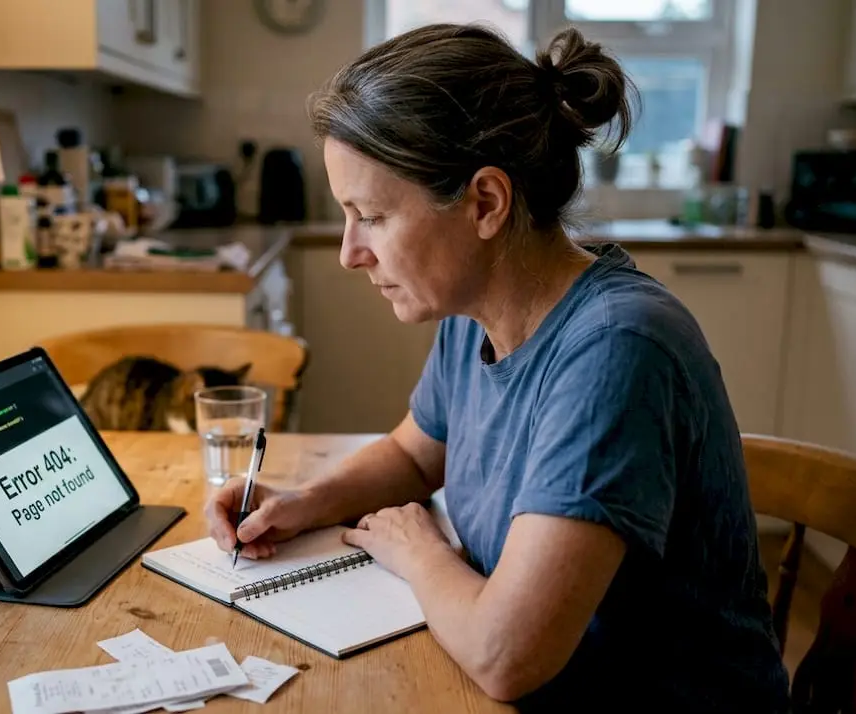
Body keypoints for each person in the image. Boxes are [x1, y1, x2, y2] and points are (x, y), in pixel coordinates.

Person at [204, 22, 790, 712]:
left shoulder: (617, 349)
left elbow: (506, 655)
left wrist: (419, 550)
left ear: (485, 203)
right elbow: (414, 457)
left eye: (371, 216)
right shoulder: (475, 310)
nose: (350, 252)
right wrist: (301, 502)